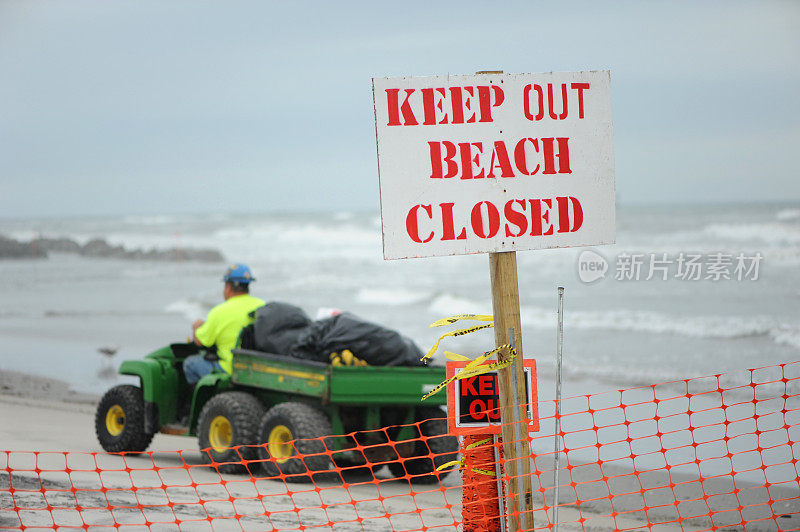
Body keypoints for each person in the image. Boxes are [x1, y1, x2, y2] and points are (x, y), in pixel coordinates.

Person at [182, 263, 265, 384]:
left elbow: (200, 341)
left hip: (230, 369)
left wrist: (196, 327)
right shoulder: (262, 306)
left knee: (190, 363)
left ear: (228, 287)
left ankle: (202, 400)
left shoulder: (218, 312)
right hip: (255, 368)